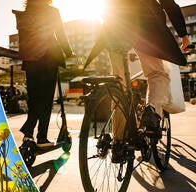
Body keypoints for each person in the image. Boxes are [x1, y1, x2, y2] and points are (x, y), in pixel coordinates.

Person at [86, 0, 192, 162]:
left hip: (115, 27)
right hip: (145, 26)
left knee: (120, 84)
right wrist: (184, 36)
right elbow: (169, 4)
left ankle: (120, 144)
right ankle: (151, 112)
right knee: (157, 73)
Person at [14, 0, 74, 147]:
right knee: (46, 100)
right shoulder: (52, 11)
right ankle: (42, 138)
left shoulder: (25, 14)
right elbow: (59, 32)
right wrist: (68, 51)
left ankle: (28, 135)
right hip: (48, 58)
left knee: (34, 99)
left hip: (30, 60)